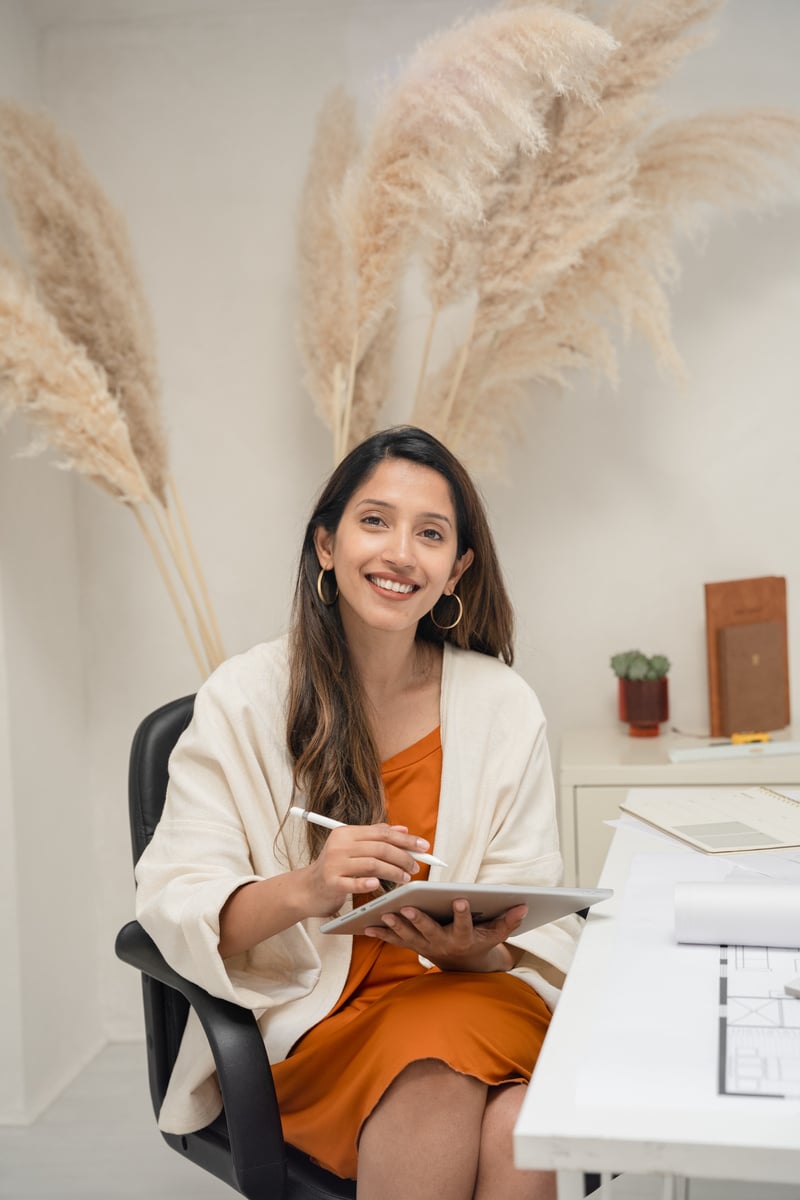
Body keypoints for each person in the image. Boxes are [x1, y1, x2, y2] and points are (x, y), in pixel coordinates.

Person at [135, 425, 578, 1200]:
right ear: (327, 544)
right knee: (466, 1094)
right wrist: (309, 888)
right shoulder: (243, 699)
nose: (401, 552)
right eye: (375, 521)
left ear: (457, 570)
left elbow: (527, 925)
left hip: (474, 993)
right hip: (322, 1024)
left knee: (518, 1124)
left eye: (431, 534)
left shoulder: (503, 705)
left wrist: (468, 947)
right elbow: (178, 909)